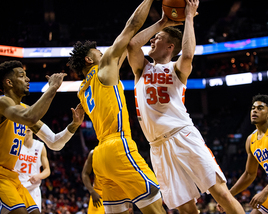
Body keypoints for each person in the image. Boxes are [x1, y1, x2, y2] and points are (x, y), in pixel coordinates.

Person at [126, 0, 245, 213]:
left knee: (221, 193)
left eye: (158, 39)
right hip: (157, 148)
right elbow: (133, 45)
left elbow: (188, 54)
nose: (152, 40)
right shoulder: (141, 69)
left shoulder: (176, 69)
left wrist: (189, 17)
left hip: (183, 135)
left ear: (170, 47)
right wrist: (161, 24)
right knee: (185, 209)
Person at [67, 0, 166, 213]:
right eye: (98, 53)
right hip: (118, 145)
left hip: (101, 157)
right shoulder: (103, 68)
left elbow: (130, 46)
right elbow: (130, 27)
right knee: (156, 208)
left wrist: (162, 23)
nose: (103, 54)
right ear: (88, 59)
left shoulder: (83, 90)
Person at [0, 60, 84, 214]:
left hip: (12, 177)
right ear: (9, 82)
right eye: (21, 76)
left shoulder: (24, 110)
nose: (28, 79)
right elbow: (29, 117)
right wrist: (52, 88)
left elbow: (54, 143)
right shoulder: (2, 103)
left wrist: (73, 126)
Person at [14, 128, 51, 213]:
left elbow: (47, 170)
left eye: (30, 124)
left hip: (33, 190)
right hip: (17, 188)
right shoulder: (16, 143)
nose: (28, 127)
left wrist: (38, 176)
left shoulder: (40, 146)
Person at [81, 150, 104, 214]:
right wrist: (92, 191)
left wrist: (127, 200)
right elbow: (85, 174)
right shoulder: (94, 153)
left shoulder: (118, 152)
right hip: (98, 193)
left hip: (114, 193)